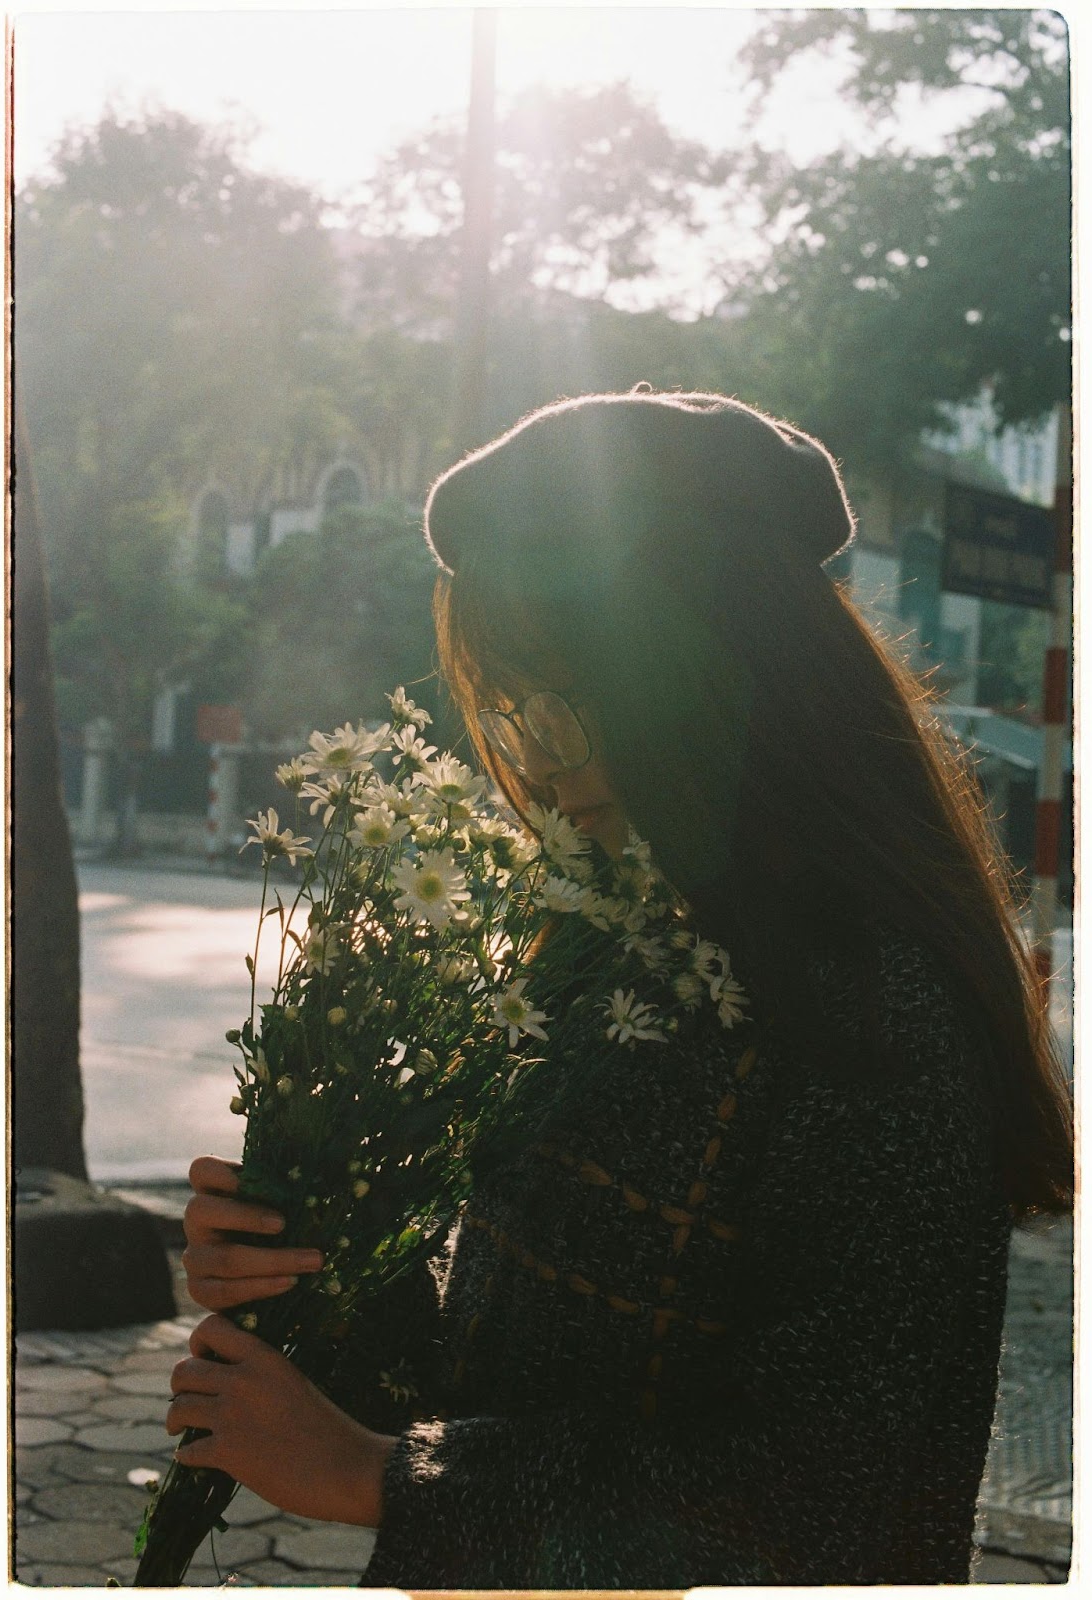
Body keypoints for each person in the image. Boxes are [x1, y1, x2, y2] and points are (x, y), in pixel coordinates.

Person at [170, 389, 1073, 1587]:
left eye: (569, 693)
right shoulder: (604, 938)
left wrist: (374, 1479)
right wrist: (325, 1265)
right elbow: (502, 1363)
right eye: (508, 702)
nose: (535, 755)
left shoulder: (875, 1003)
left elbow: (845, 1492)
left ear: (714, 665)